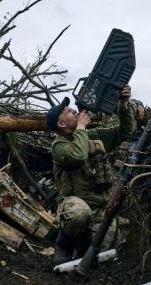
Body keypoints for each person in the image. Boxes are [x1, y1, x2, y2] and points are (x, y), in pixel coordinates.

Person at [47, 84, 136, 264]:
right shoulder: (59, 146)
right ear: (61, 123)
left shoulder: (91, 135)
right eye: (68, 111)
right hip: (76, 205)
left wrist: (123, 105)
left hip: (100, 209)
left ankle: (83, 245)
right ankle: (64, 245)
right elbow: (78, 155)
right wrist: (81, 127)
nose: (73, 110)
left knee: (109, 248)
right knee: (79, 213)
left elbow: (125, 131)